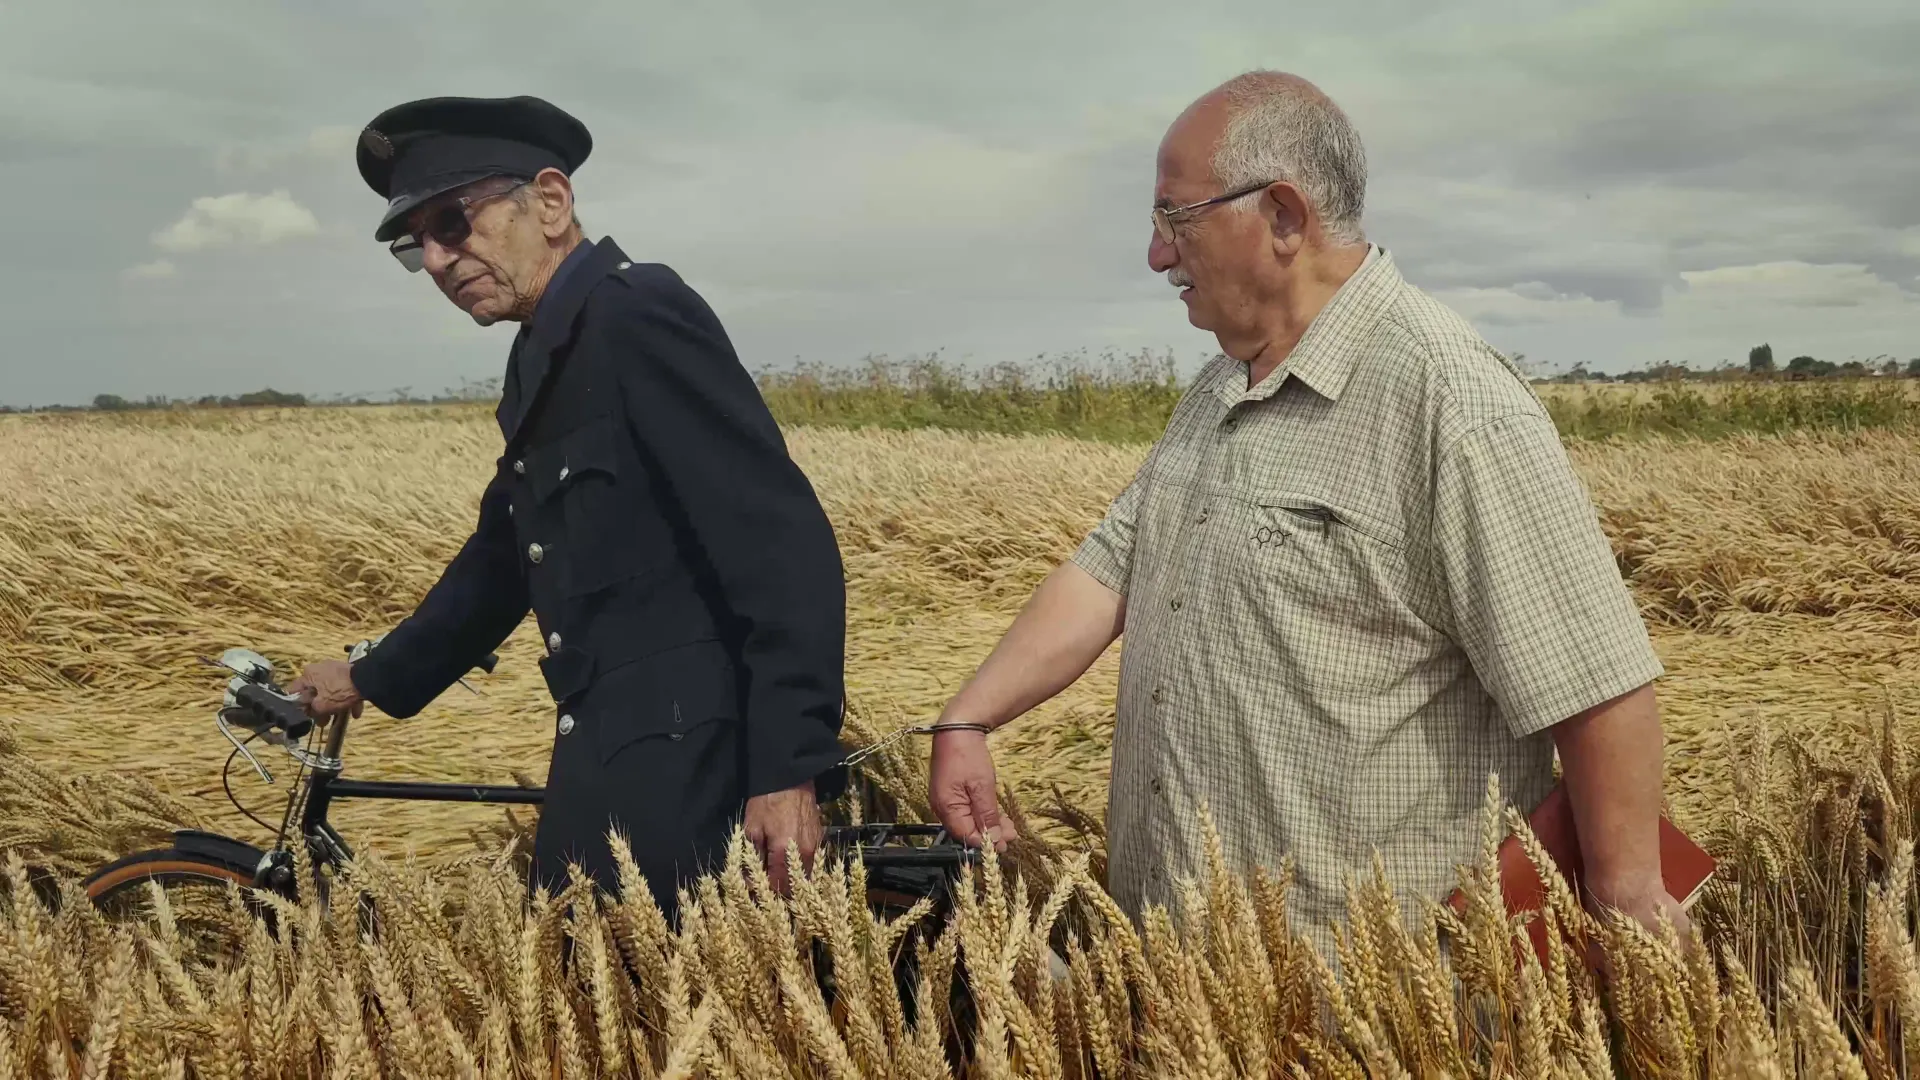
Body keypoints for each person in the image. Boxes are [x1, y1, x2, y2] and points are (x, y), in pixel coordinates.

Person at [925, 71, 1689, 956]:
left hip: (1379, 994)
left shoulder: (1450, 401)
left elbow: (1597, 683)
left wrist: (1629, 900)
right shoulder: (1219, 388)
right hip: (1186, 975)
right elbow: (1109, 570)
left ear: (1282, 215)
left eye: (1177, 219)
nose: (1157, 255)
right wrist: (968, 716)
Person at [287, 95, 848, 920]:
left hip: (693, 765)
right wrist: (371, 676)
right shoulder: (543, 353)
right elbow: (502, 558)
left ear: (550, 203)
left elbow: (779, 546)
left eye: (454, 221)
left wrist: (786, 770)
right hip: (615, 753)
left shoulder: (636, 314)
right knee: (582, 1010)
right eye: (417, 246)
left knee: (646, 1020)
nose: (439, 259)